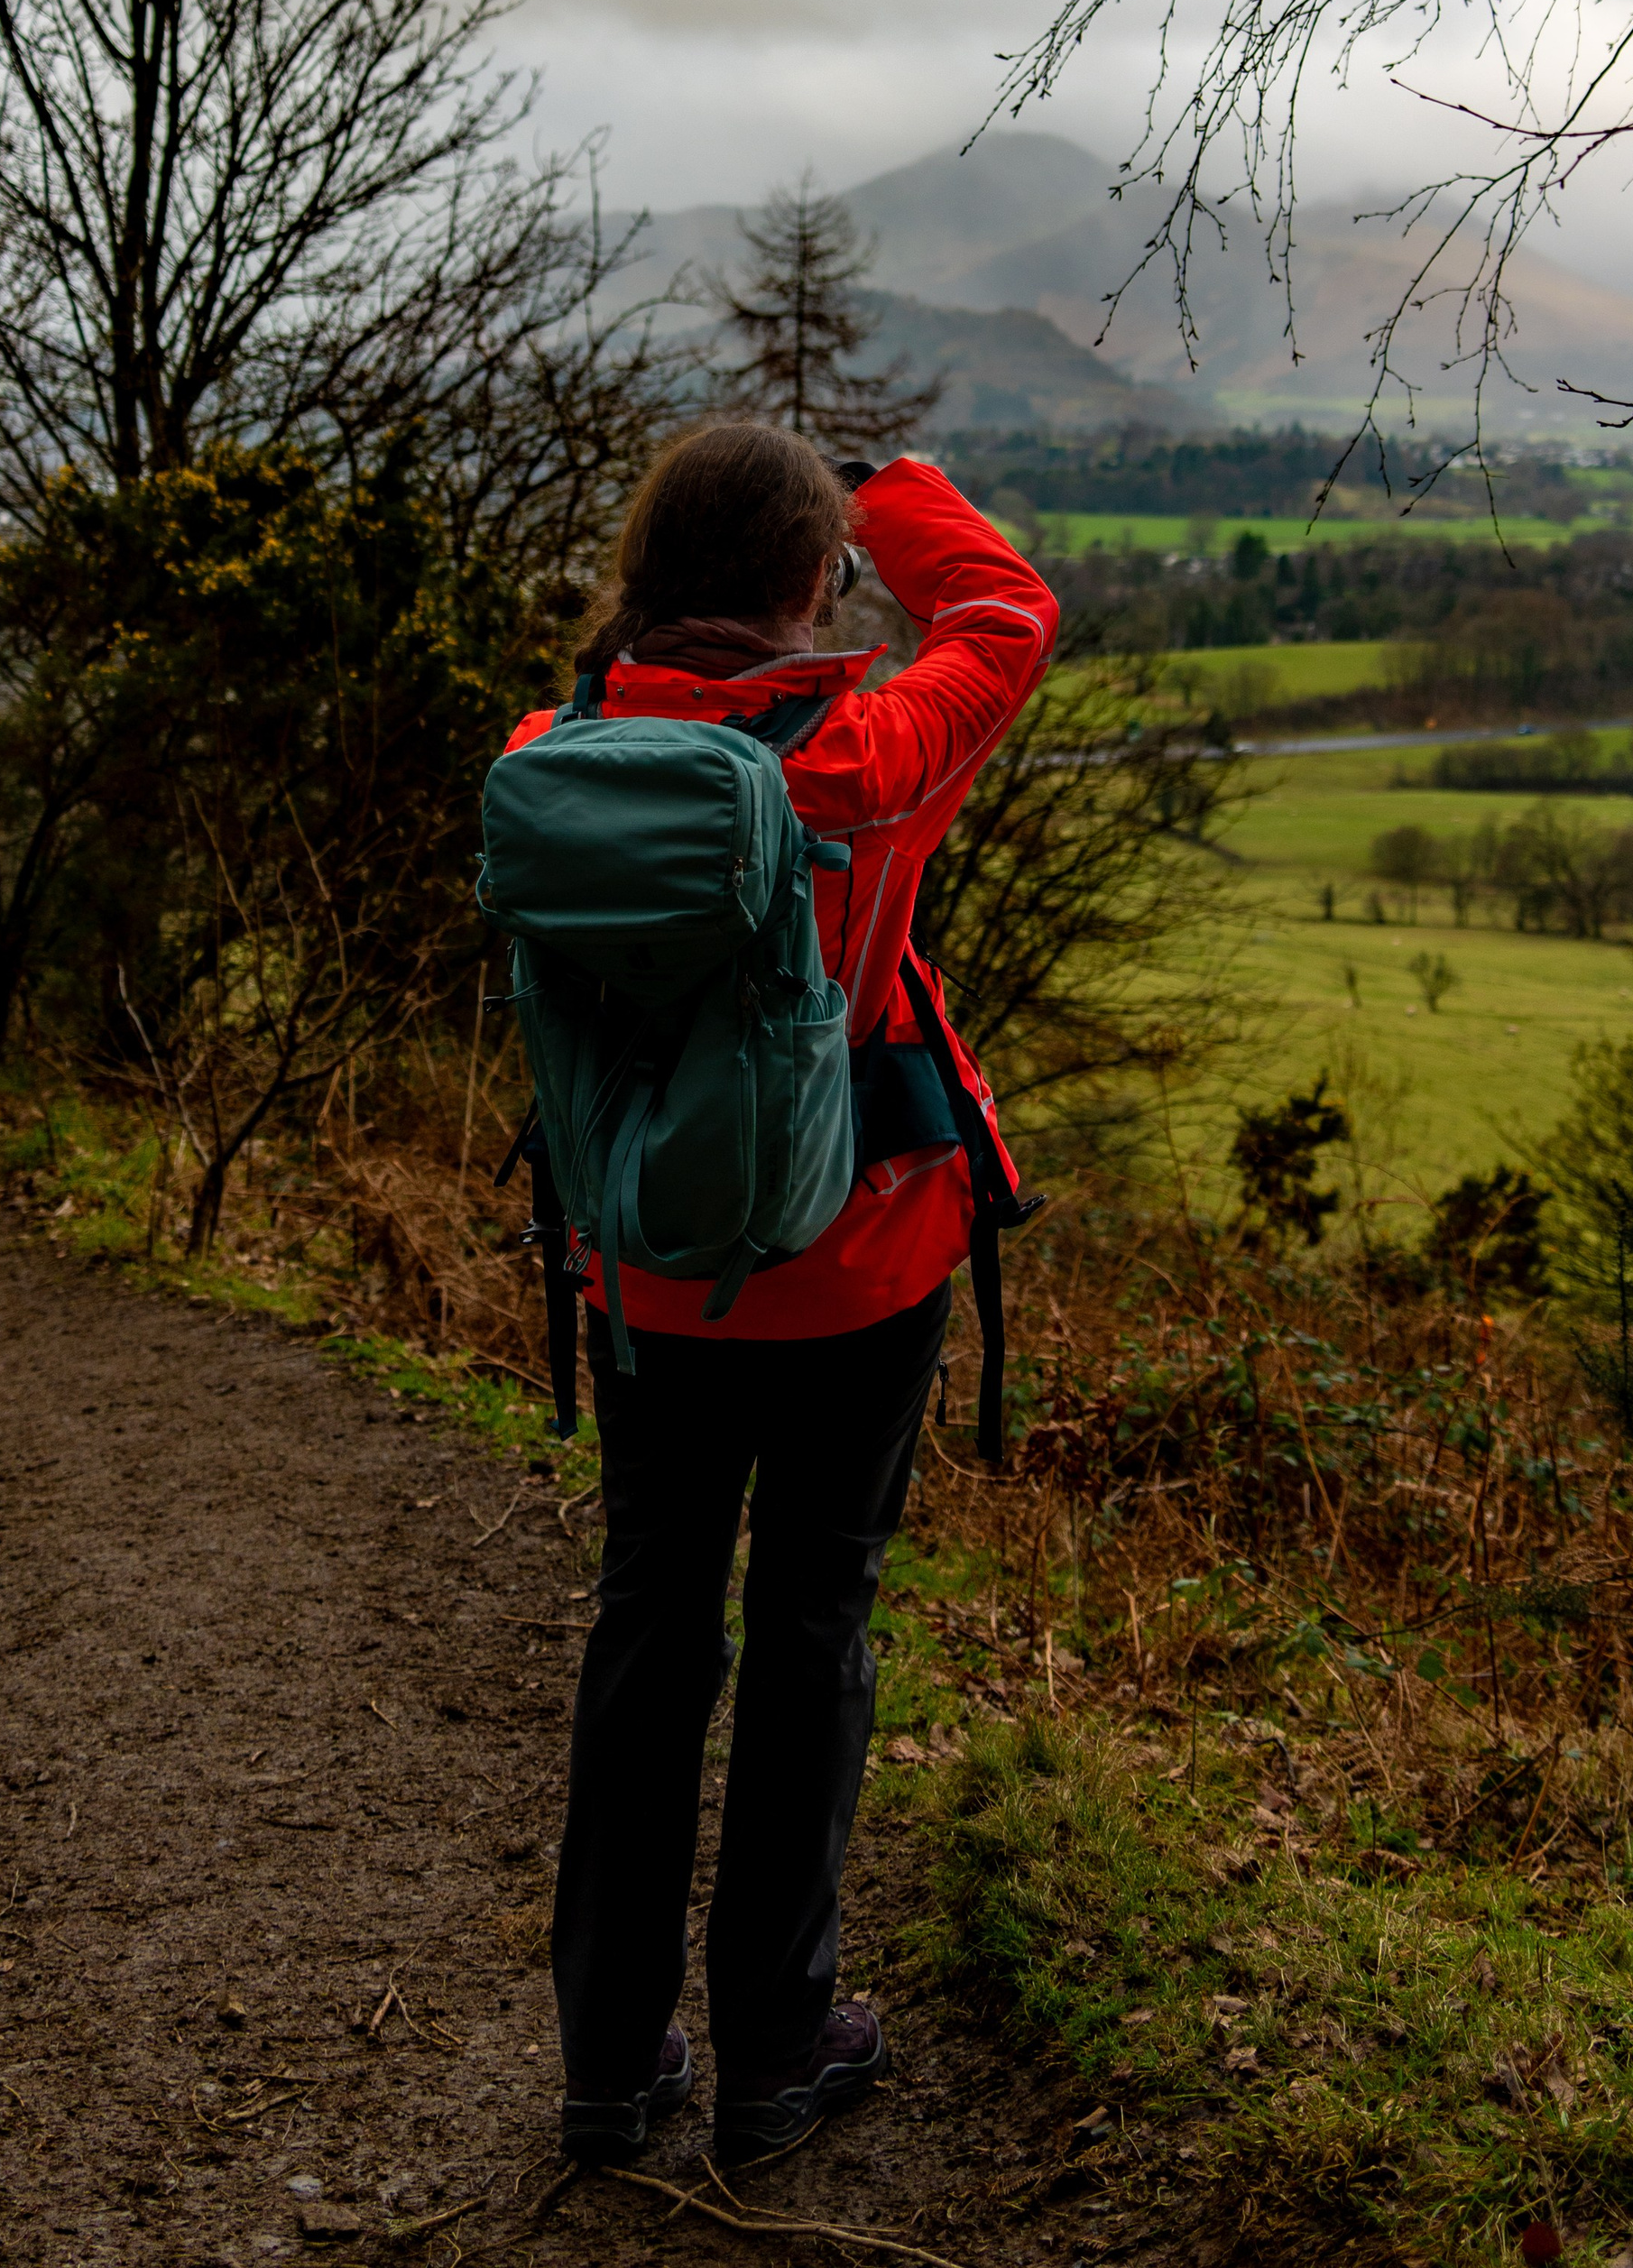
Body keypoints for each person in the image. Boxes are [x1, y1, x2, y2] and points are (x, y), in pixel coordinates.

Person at [497, 422, 1057, 2168]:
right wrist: (884, 478)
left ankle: (606, 2063)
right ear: (809, 580)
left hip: (648, 1278)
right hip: (859, 1267)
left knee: (650, 1630)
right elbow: (1010, 610)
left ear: (646, 569)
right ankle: (772, 2055)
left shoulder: (554, 753)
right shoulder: (869, 754)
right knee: (814, 1631)